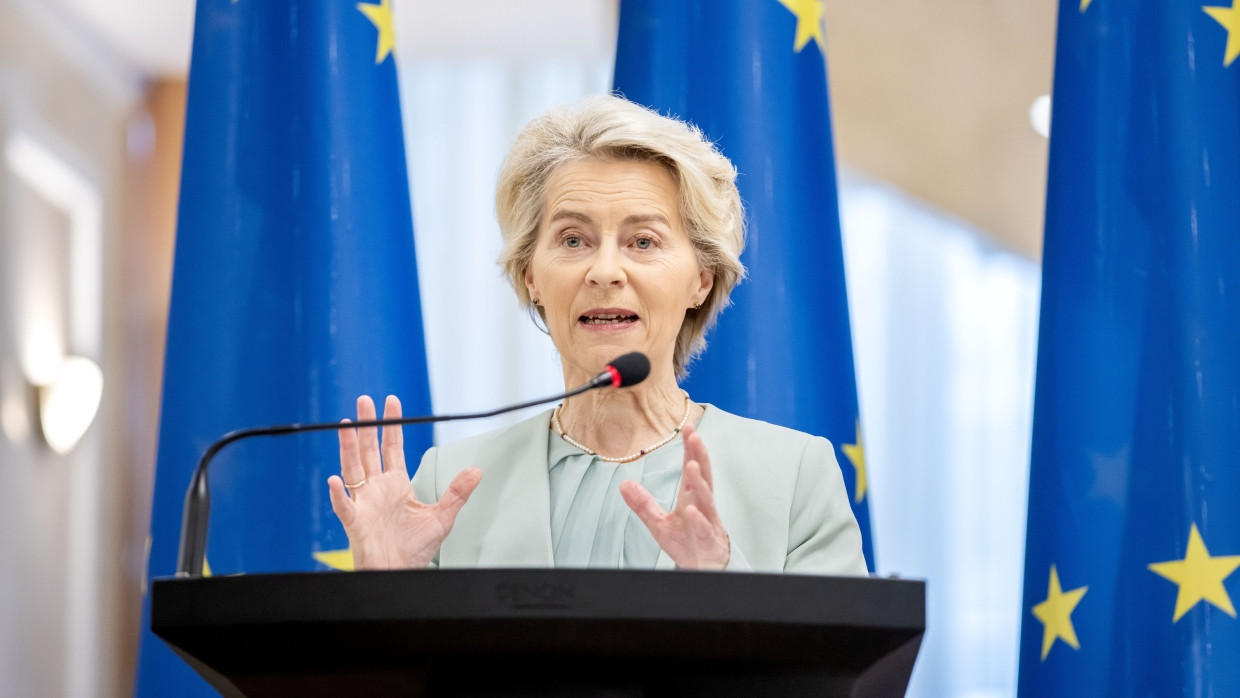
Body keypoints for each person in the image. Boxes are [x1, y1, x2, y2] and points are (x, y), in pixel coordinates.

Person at [327, 95, 866, 574]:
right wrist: (386, 591)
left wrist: (723, 584)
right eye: (573, 239)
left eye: (643, 241)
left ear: (701, 280)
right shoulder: (450, 481)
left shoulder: (794, 477)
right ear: (531, 276)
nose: (605, 270)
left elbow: (842, 675)